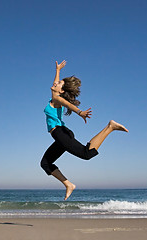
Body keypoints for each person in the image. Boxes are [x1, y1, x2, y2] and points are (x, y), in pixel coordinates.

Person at [40, 59, 128, 201]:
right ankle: (69, 185)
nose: (55, 83)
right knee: (45, 163)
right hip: (60, 135)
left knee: (86, 154)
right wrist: (58, 71)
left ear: (61, 90)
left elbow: (66, 102)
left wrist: (79, 112)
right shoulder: (55, 95)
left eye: (59, 84)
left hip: (61, 133)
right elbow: (55, 84)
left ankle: (110, 127)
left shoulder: (58, 99)